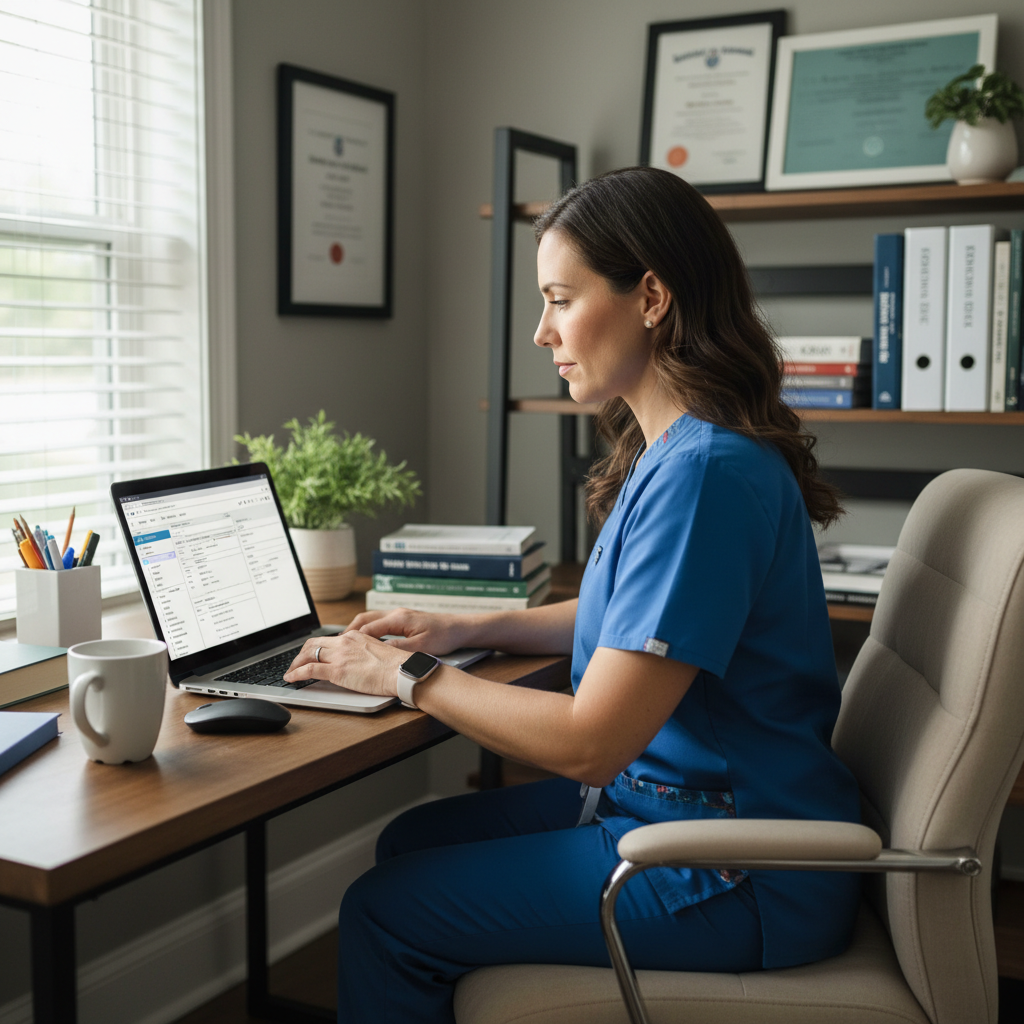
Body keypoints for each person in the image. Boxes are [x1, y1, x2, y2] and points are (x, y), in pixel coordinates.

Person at [284, 166, 862, 1024]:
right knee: (411, 841)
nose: (539, 331)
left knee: (383, 910)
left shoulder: (703, 475)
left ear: (652, 296)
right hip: (677, 817)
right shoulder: (677, 446)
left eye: (560, 298)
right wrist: (461, 625)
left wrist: (402, 676)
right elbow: (628, 623)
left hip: (734, 868)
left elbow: (591, 741)